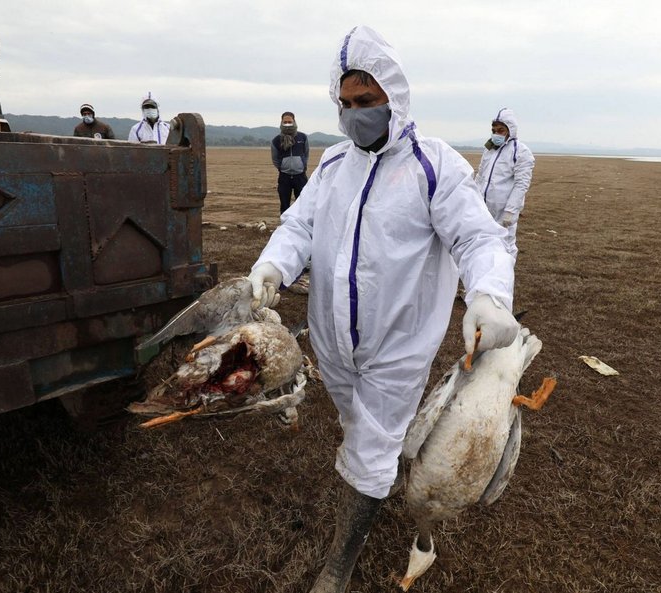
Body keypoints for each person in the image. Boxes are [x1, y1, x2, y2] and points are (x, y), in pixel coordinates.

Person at [246, 26, 519, 593]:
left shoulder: (432, 166)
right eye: (344, 104)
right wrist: (274, 263)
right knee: (359, 427)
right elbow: (301, 224)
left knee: (369, 445)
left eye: (365, 102)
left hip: (398, 346)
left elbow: (478, 238)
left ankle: (338, 566)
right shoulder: (333, 164)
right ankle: (381, 471)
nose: (353, 115)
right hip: (333, 343)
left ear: (393, 96)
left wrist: (489, 296)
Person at [474, 107, 535, 258]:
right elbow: (480, 175)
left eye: (501, 130)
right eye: (494, 130)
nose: (496, 134)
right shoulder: (490, 149)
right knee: (482, 244)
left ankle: (505, 277)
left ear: (510, 130)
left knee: (505, 246)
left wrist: (511, 211)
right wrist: (473, 198)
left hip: (503, 210)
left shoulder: (520, 151)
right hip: (483, 207)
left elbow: (521, 184)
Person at [271, 111, 310, 214]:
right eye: (285, 122)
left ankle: (301, 228)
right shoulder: (276, 140)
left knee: (302, 204)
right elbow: (275, 158)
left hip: (300, 176)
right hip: (284, 177)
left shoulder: (302, 137)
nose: (287, 124)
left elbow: (306, 153)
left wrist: (302, 165)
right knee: (284, 205)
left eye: (289, 121)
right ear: (281, 122)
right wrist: (282, 167)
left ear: (294, 121)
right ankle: (284, 227)